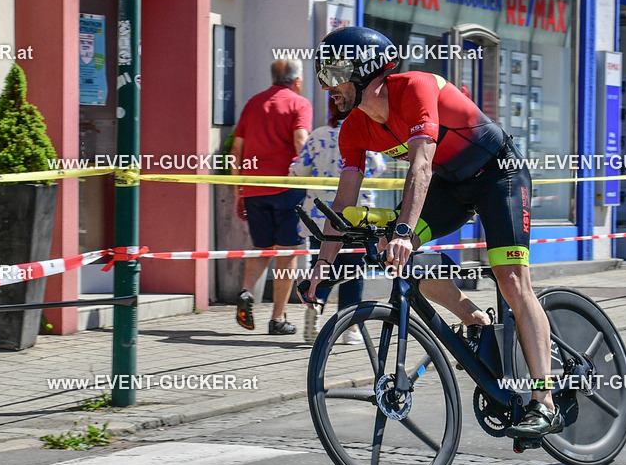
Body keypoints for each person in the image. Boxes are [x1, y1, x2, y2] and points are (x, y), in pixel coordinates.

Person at [302, 26, 560, 439]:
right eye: (322, 75)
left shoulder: (416, 88)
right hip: (451, 186)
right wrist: (322, 266)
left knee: (511, 279)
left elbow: (421, 166)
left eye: (335, 75)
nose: (326, 86)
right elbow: (342, 203)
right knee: (394, 254)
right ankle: (474, 319)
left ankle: (544, 400)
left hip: (498, 175)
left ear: (368, 71)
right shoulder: (353, 129)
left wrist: (405, 229)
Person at [289, 96, 385, 345]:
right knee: (353, 273)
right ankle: (350, 328)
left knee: (323, 267)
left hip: (320, 218)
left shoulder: (318, 135)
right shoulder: (365, 133)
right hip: (355, 216)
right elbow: (378, 168)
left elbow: (297, 171)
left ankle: (314, 310)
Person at [231, 58, 312, 336]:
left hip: (253, 188)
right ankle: (278, 319)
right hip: (287, 188)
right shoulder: (299, 104)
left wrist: (238, 191)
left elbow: (236, 151)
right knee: (286, 253)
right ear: (297, 81)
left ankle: (246, 291)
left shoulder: (253, 103)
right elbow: (301, 141)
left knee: (262, 247)